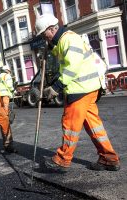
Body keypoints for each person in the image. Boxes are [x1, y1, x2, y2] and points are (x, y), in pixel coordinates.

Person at [35, 13, 120, 171]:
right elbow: (64, 57)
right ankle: (109, 158)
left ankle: (62, 160)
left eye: (43, 34)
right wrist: (50, 49)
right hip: (88, 87)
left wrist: (57, 87)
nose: (43, 37)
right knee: (94, 126)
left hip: (79, 89)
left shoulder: (68, 39)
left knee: (70, 126)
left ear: (51, 29)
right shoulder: (63, 40)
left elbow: (72, 66)